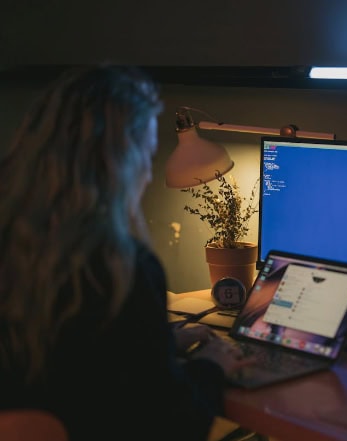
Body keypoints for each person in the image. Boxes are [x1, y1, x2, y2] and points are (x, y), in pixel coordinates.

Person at [0, 64, 250, 441]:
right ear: (122, 162)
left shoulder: (17, 244)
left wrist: (159, 341)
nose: (148, 176)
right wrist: (211, 365)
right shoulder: (120, 267)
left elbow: (74, 357)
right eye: (147, 157)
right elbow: (173, 425)